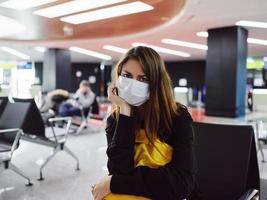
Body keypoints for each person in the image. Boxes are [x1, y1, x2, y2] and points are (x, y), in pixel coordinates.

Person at [91, 46, 197, 200]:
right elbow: (119, 170)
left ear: (156, 82)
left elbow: (181, 184)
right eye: (127, 76)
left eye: (143, 78)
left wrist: (113, 183)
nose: (133, 84)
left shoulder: (176, 117)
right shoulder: (116, 119)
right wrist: (125, 111)